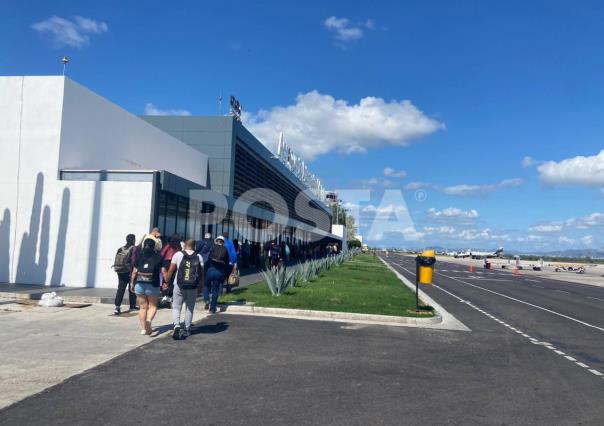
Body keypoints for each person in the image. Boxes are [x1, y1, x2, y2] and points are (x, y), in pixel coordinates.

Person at [164, 239, 204, 340]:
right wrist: (201, 286)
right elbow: (202, 274)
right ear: (194, 246)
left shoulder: (178, 255)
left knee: (177, 307)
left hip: (179, 285)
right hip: (193, 286)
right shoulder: (199, 256)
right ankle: (187, 328)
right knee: (189, 308)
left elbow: (171, 270)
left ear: (185, 245)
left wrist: (166, 282)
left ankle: (176, 326)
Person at [130, 239, 163, 335]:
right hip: (152, 284)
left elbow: (134, 271)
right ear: (154, 246)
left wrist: (132, 283)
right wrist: (165, 283)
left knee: (142, 308)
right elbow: (163, 270)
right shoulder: (158, 257)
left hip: (139, 284)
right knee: (152, 306)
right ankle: (148, 320)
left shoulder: (139, 256)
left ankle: (143, 329)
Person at [112, 234, 137, 315]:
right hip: (129, 271)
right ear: (133, 240)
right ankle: (132, 306)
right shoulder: (133, 248)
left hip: (120, 271)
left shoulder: (120, 248)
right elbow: (134, 260)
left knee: (121, 289)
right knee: (131, 288)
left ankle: (117, 307)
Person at [205, 236, 230, 314]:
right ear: (223, 242)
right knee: (215, 290)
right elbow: (227, 264)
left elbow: (208, 260)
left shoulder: (212, 248)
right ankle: (212, 309)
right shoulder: (225, 250)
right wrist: (226, 275)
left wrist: (205, 270)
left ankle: (206, 299)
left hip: (211, 270)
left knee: (206, 285)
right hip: (220, 271)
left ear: (216, 241)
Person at [159, 234, 182, 305]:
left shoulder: (168, 245)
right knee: (172, 279)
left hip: (167, 262)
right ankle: (170, 295)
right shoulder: (179, 246)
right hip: (175, 263)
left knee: (166, 279)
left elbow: (162, 254)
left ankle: (165, 295)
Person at [196, 233, 214, 309]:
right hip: (208, 264)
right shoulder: (211, 244)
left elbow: (196, 250)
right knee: (207, 280)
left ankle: (200, 291)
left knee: (199, 277)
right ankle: (207, 292)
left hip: (200, 262)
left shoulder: (200, 242)